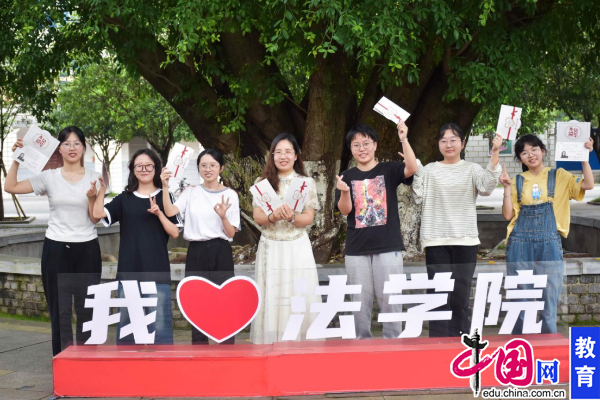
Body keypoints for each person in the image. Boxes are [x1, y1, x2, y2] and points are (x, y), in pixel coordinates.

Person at [4, 126, 101, 356]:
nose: (72, 148)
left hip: (87, 248)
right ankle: (63, 362)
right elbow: (10, 187)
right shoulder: (49, 177)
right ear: (59, 148)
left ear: (84, 147)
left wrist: (91, 198)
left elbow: (95, 217)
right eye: (66, 143)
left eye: (77, 143)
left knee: (88, 309)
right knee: (60, 310)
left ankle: (87, 362)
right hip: (56, 248)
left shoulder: (95, 178)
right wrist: (17, 158)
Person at [412, 124, 502, 337]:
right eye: (443, 140)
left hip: (465, 240)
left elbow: (487, 188)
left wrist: (495, 152)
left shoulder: (472, 169)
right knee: (438, 294)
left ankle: (462, 339)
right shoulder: (429, 170)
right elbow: (417, 196)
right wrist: (416, 170)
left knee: (461, 294)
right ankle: (438, 341)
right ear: (438, 144)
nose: (449, 144)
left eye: (453, 140)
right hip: (436, 240)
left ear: (463, 143)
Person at [501, 134, 595, 334]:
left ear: (543, 151)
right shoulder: (517, 181)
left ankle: (549, 344)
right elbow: (508, 215)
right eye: (524, 152)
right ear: (520, 159)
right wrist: (507, 188)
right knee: (521, 299)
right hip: (520, 245)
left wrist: (584, 158)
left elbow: (588, 184)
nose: (530, 155)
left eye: (534, 149)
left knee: (549, 298)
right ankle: (520, 346)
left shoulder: (559, 175)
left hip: (550, 244)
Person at [92, 148, 182, 344]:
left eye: (148, 165)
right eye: (139, 166)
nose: (144, 169)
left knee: (159, 329)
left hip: (157, 271)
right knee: (127, 329)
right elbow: (98, 214)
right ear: (132, 170)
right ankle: (127, 364)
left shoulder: (165, 196)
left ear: (156, 168)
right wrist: (101, 191)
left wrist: (159, 213)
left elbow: (175, 232)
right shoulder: (124, 198)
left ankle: (161, 364)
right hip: (129, 271)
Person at [336, 122, 417, 339]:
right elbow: (345, 210)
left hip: (388, 246)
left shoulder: (389, 169)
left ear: (375, 145)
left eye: (366, 143)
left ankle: (393, 344)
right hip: (357, 249)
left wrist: (404, 138)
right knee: (359, 302)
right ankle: (361, 344)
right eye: (356, 145)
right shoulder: (346, 176)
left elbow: (411, 168)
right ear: (351, 149)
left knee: (391, 299)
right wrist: (344, 192)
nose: (362, 149)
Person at [161, 148, 241, 344]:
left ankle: (227, 347)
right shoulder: (190, 192)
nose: (208, 169)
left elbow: (231, 233)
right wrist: (164, 186)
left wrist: (223, 217)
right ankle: (199, 348)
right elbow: (170, 211)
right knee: (197, 301)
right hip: (196, 251)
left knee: (224, 300)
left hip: (221, 251)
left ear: (221, 168)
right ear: (198, 168)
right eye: (203, 165)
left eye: (213, 165)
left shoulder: (230, 195)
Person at [250, 133, 321, 344]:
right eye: (278, 152)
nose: (283, 156)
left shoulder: (305, 183)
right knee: (272, 292)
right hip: (271, 246)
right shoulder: (262, 183)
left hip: (297, 245)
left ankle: (301, 341)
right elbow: (258, 216)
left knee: (298, 292)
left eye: (288, 152)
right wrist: (272, 217)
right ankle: (271, 340)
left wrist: (292, 218)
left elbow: (308, 218)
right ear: (272, 156)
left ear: (296, 155)